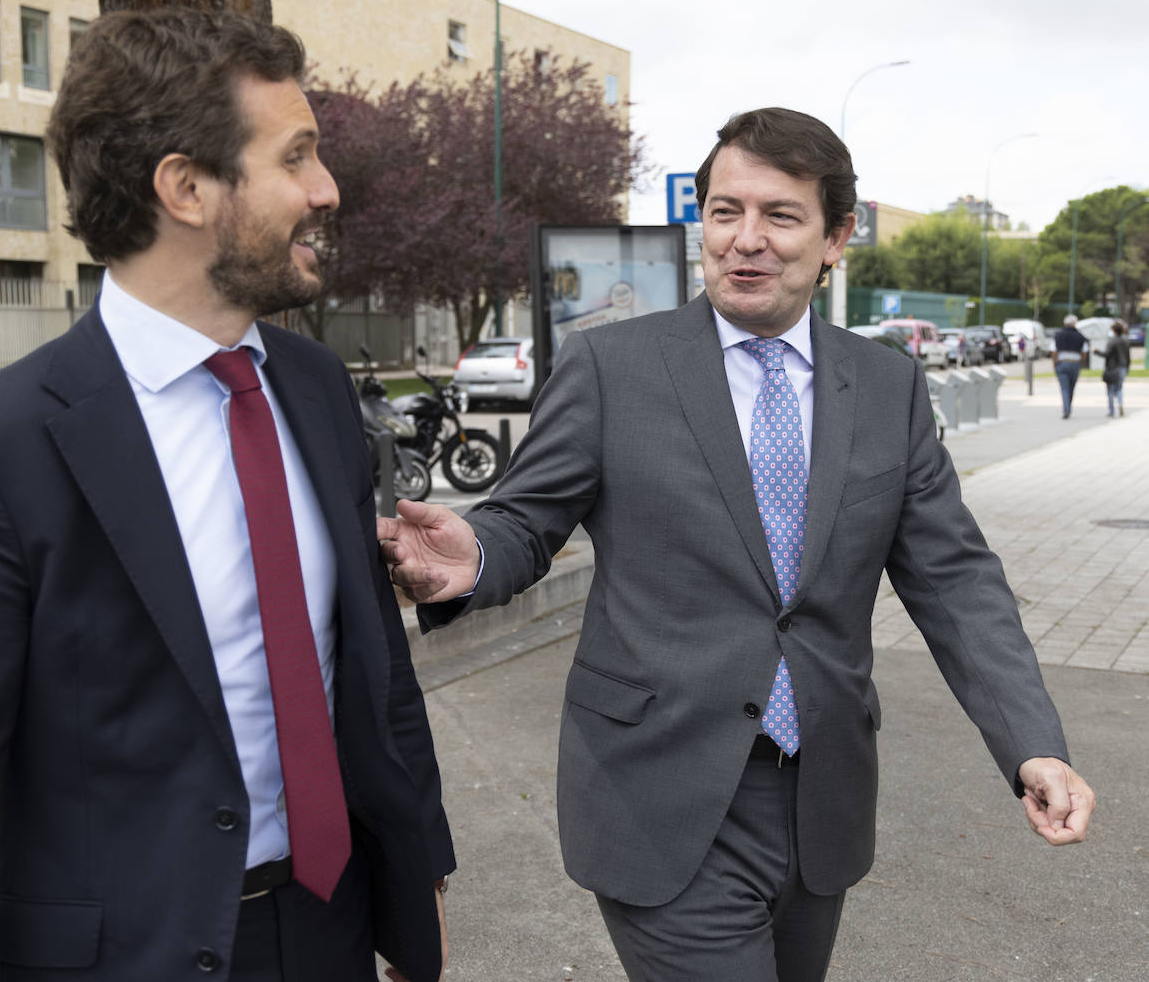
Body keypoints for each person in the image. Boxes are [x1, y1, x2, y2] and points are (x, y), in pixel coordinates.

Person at [380, 107, 1094, 982]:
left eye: (780, 216)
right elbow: (524, 521)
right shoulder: (613, 368)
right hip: (658, 789)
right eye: (724, 212)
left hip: (820, 797)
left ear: (836, 239)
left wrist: (1034, 742)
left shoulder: (887, 386)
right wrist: (473, 556)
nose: (744, 240)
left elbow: (954, 579)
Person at [0, 8, 453, 982]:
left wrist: (418, 858)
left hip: (329, 930)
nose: (326, 188)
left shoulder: (314, 392)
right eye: (296, 157)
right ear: (185, 187)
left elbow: (371, 661)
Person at [1052, 314, 1089, 419]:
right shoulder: (1080, 336)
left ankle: (1066, 409)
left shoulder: (1058, 335)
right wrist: (1081, 362)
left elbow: (1054, 351)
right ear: (1075, 323)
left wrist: (1055, 363)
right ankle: (1068, 408)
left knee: (1064, 388)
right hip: (1075, 363)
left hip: (1062, 362)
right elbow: (1084, 352)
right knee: (1071, 387)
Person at [1098, 320, 1130, 417]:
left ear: (1113, 331)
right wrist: (1128, 367)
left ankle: (1111, 410)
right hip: (1123, 367)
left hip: (1113, 368)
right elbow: (1128, 356)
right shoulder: (1126, 340)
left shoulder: (1112, 341)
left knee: (1110, 390)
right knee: (1119, 388)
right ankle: (1120, 404)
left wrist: (1096, 351)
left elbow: (1107, 354)